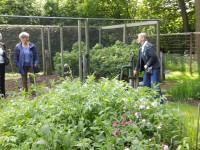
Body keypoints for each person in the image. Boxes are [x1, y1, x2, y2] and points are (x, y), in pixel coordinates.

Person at [133, 33, 164, 103]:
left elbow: (154, 56)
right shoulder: (141, 48)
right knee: (146, 84)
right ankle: (147, 101)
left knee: (154, 84)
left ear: (143, 38)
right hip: (147, 69)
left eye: (138, 37)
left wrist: (147, 64)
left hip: (155, 67)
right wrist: (136, 69)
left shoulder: (149, 46)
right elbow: (139, 60)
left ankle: (160, 102)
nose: (137, 39)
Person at [0, 33, 7, 98]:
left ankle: (3, 93)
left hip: (2, 64)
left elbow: (5, 54)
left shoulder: (3, 45)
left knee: (2, 79)